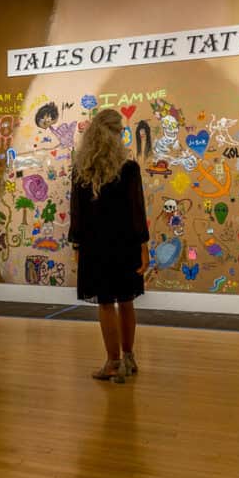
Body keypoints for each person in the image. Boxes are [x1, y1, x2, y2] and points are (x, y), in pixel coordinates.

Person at [68, 109, 150, 384]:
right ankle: (128, 357)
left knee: (105, 303)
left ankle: (113, 363)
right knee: (126, 301)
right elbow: (137, 211)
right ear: (117, 135)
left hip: (96, 246)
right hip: (125, 243)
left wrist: (77, 247)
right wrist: (144, 247)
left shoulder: (82, 171)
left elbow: (77, 213)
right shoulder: (129, 169)